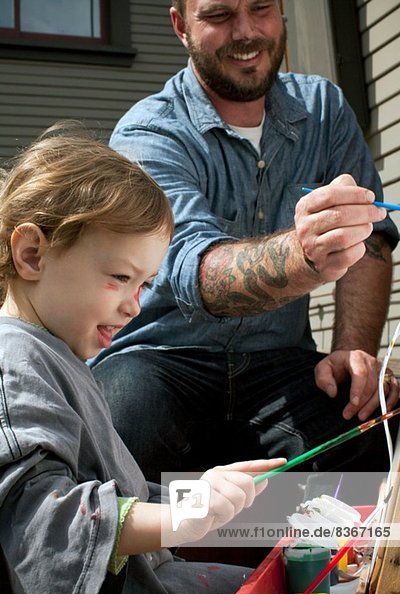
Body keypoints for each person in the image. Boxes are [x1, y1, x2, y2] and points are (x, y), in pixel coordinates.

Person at [91, 0, 400, 485]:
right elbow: (198, 272)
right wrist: (303, 254)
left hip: (280, 363)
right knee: (112, 422)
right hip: (158, 359)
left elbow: (374, 238)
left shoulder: (324, 110)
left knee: (373, 425)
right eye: (218, 16)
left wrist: (351, 350)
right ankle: (142, 559)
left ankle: (327, 558)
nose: (246, 32)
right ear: (180, 26)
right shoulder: (148, 132)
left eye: (261, 9)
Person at [0, 122, 287, 594]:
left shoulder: (57, 352)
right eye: (119, 276)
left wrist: (195, 496)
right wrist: (178, 520)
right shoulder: (14, 362)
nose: (134, 306)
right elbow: (43, 522)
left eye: (145, 285)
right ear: (32, 254)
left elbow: (111, 490)